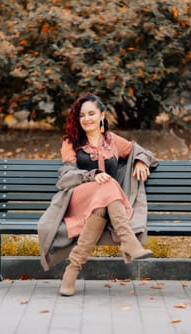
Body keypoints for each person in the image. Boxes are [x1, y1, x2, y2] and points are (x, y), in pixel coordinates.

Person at [37, 92, 159, 296]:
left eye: (91, 113)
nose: (87, 119)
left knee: (102, 202)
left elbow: (143, 152)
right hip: (78, 198)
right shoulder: (71, 142)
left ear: (102, 115)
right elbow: (67, 176)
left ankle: (72, 270)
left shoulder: (112, 141)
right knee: (107, 184)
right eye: (82, 115)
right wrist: (93, 175)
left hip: (105, 204)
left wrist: (140, 160)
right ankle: (128, 240)